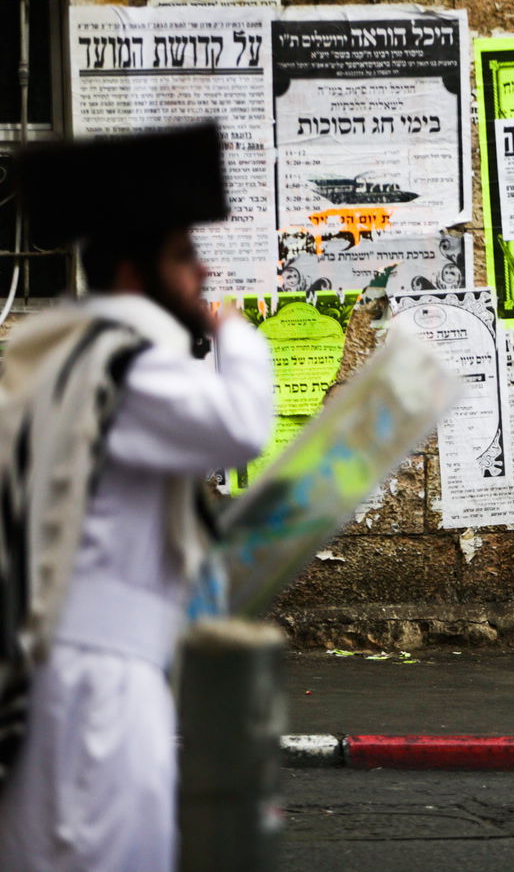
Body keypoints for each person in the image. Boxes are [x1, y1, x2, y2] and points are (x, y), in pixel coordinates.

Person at [0, 124, 273, 870]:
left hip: (69, 674)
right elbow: (241, 424)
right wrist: (233, 328)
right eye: (184, 256)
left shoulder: (69, 349)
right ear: (133, 271)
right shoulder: (127, 359)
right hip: (100, 688)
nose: (201, 274)